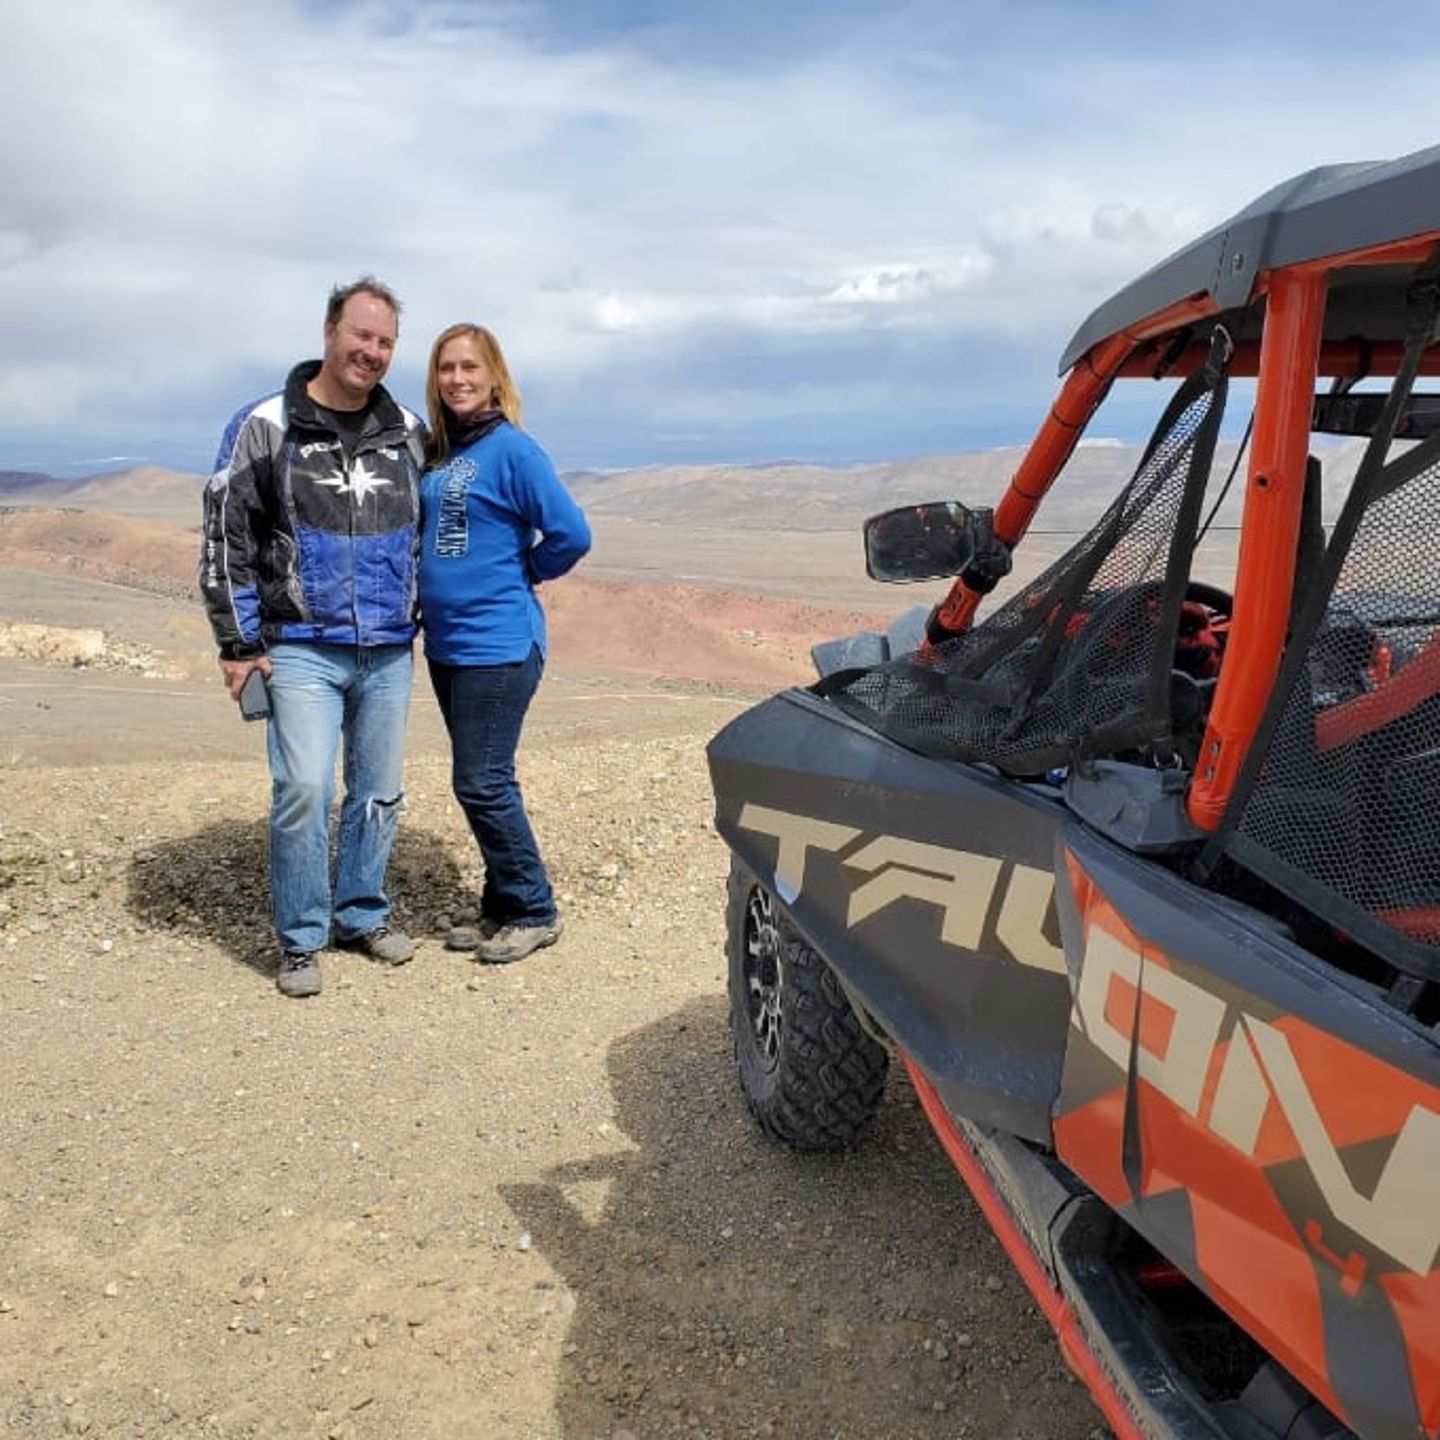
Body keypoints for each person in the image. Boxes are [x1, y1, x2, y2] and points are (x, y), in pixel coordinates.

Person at [199, 277, 427, 998]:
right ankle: (301, 937)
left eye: (386, 341)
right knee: (302, 787)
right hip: (299, 642)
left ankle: (361, 912)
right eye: (361, 335)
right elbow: (224, 536)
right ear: (330, 331)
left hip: (388, 646)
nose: (373, 351)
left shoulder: (410, 432)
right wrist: (238, 646)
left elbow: (434, 536)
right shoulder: (266, 424)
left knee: (377, 791)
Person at [418, 323, 591, 963]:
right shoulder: (442, 452)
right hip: (449, 645)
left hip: (499, 642)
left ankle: (533, 907)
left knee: (482, 781)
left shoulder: (514, 451)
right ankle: (499, 907)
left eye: (469, 367)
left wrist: (527, 574)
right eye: (446, 369)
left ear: (494, 375)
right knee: (482, 778)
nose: (457, 379)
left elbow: (572, 533)